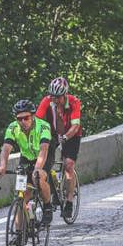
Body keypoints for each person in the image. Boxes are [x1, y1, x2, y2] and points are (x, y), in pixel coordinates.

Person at [0, 100, 54, 227]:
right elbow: (6, 148)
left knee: (39, 178)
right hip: (26, 158)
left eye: (26, 118)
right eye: (19, 119)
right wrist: (2, 166)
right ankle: (18, 233)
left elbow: (44, 149)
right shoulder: (13, 128)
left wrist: (37, 169)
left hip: (43, 155)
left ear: (32, 116)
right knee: (21, 195)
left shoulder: (43, 126)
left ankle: (48, 206)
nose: (23, 122)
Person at [36, 76, 82, 219]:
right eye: (52, 96)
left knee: (68, 165)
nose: (55, 100)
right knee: (45, 166)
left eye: (58, 97)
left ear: (64, 95)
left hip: (71, 134)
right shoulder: (47, 101)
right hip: (53, 133)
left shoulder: (74, 102)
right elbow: (37, 121)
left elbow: (75, 126)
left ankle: (68, 201)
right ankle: (52, 192)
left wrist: (66, 137)